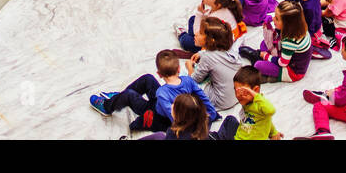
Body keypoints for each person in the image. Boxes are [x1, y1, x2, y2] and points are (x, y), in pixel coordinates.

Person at [90, 50, 218, 133]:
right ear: (179, 69)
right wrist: (211, 112)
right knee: (147, 79)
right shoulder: (187, 80)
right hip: (168, 106)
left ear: (159, 74)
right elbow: (203, 97)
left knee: (129, 96)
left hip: (160, 115)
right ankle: (117, 98)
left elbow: (173, 117)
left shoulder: (162, 93)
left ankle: (107, 106)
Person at [239, 0, 311, 83]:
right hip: (289, 58)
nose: (273, 19)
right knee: (264, 43)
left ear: (287, 25)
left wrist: (266, 56)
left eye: (276, 18)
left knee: (258, 65)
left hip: (292, 72)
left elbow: (283, 63)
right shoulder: (298, 29)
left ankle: (264, 68)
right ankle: (260, 57)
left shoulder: (289, 42)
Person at [173, 0, 243, 55]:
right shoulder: (221, 8)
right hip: (215, 35)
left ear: (218, 4)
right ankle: (192, 37)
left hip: (217, 46)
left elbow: (198, 32)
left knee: (186, 42)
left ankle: (182, 34)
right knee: (192, 19)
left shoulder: (215, 17)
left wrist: (199, 13)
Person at [186, 19, 241, 112]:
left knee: (186, 82)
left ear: (211, 40)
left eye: (200, 33)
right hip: (237, 96)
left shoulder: (208, 57)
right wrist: (201, 53)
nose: (195, 33)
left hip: (221, 101)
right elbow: (217, 56)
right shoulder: (228, 48)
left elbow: (194, 79)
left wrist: (189, 67)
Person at [214, 66, 281, 140]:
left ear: (255, 90)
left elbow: (271, 110)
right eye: (237, 91)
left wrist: (255, 95)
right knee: (230, 119)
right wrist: (274, 132)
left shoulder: (260, 105)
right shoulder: (247, 102)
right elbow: (266, 119)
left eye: (244, 92)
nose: (238, 96)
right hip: (239, 135)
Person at [139, 92, 213, 140]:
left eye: (174, 106)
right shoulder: (203, 123)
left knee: (159, 136)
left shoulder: (174, 134)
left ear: (179, 115)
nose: (171, 106)